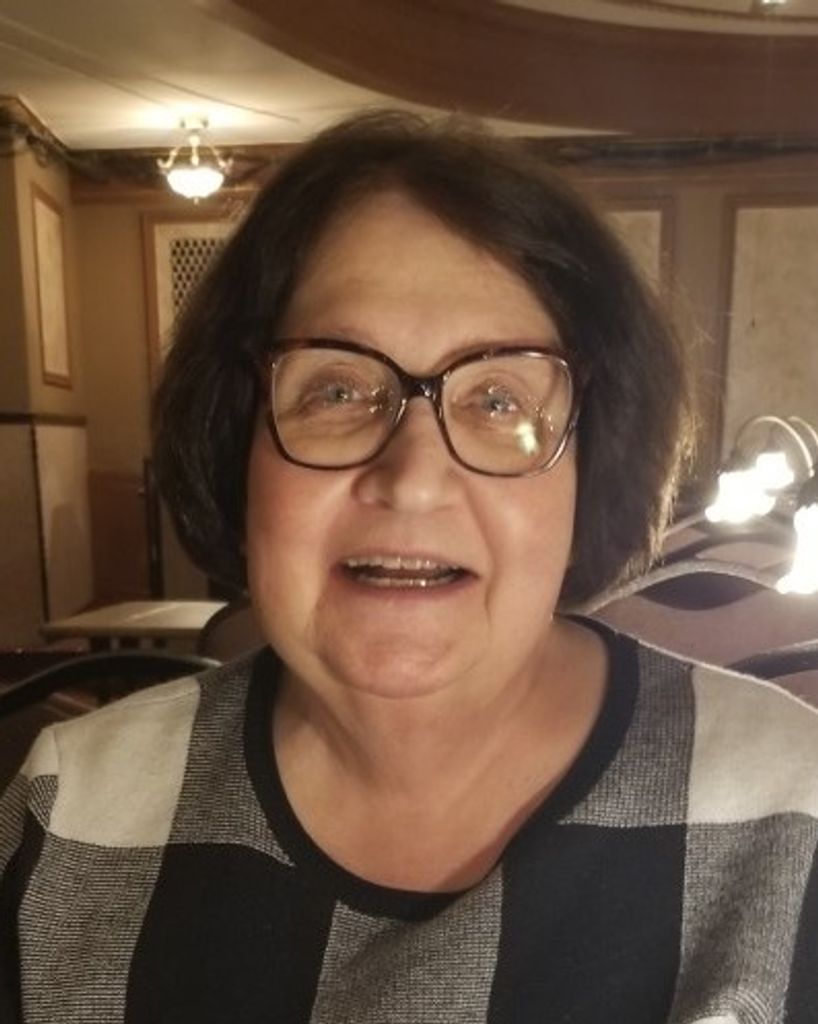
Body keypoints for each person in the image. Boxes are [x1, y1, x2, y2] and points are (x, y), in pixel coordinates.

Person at [1, 110, 817, 1024]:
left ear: (592, 466)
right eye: (337, 388)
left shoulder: (794, 810)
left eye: (498, 399)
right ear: (235, 442)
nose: (414, 478)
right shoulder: (69, 810)